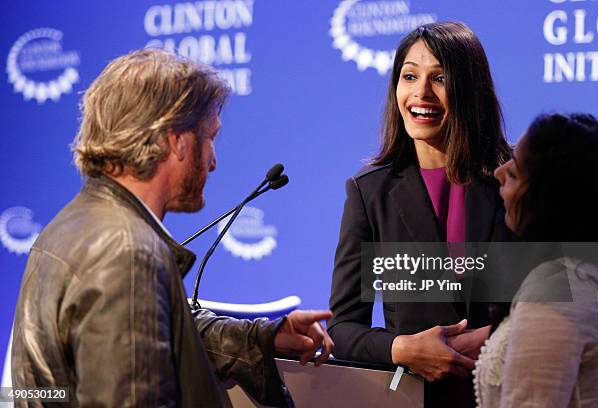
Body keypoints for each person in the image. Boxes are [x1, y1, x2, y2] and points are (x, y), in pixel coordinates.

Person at [11, 48, 333, 407]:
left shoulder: (73, 225)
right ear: (175, 139)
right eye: (210, 137)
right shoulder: (127, 253)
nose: (213, 161)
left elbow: (162, 333)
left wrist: (262, 337)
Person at [328, 22, 514, 406]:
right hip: (413, 397)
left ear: (469, 87)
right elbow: (343, 328)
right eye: (409, 76)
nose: (421, 93)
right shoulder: (369, 191)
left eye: (440, 78)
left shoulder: (514, 181)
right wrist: (401, 348)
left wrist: (497, 335)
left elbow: (564, 300)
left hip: (510, 390)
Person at [475, 113, 598, 407]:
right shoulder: (596, 272)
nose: (498, 172)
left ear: (550, 201)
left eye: (514, 174)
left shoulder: (556, 290)